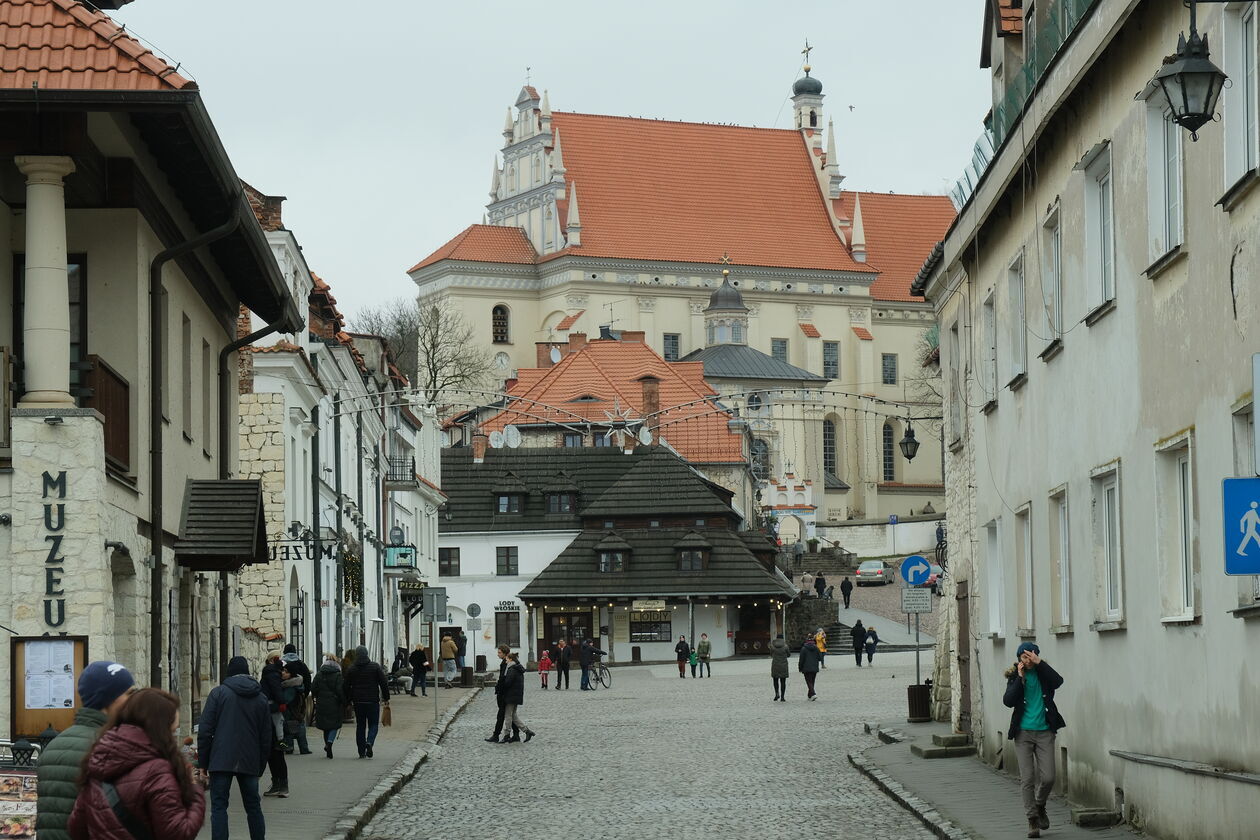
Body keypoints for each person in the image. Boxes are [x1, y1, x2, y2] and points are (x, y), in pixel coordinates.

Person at [70, 688, 205, 840]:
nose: (173, 740)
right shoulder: (157, 771)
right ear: (160, 729)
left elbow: (76, 828)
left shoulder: (98, 758)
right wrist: (195, 792)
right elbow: (179, 834)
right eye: (171, 732)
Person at [37, 660, 136, 840]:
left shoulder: (54, 745)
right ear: (108, 698)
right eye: (128, 693)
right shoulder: (108, 746)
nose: (133, 700)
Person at [198, 656, 272, 840]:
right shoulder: (261, 698)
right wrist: (260, 765)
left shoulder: (218, 694)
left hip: (221, 758)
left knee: (219, 806)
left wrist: (203, 763)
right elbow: (266, 737)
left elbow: (205, 731)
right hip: (250, 758)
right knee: (253, 806)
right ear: (248, 673)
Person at [1003, 642, 1066, 839]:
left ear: (1036, 656)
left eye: (1031, 656)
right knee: (1028, 778)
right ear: (1019, 659)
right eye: (1024, 657)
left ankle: (1039, 805)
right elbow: (1008, 701)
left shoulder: (1044, 675)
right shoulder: (1015, 677)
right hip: (1023, 733)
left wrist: (1040, 664)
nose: (1028, 660)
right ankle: (1032, 819)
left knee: (1048, 778)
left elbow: (1058, 681)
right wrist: (1019, 679)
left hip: (1045, 731)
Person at [344, 645, 389, 759]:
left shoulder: (352, 669)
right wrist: (386, 697)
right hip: (372, 701)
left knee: (360, 726)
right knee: (374, 724)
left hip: (358, 702)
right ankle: (369, 742)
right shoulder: (375, 667)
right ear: (367, 654)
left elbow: (346, 686)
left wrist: (348, 700)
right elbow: (383, 683)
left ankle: (361, 751)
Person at [259, 652, 289, 796]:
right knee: (276, 752)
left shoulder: (269, 673)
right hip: (274, 715)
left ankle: (280, 785)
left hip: (271, 716)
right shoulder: (275, 673)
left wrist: (280, 702)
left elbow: (276, 693)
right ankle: (279, 784)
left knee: (275, 752)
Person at [311, 652, 345, 759]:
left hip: (322, 702)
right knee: (334, 725)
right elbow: (340, 690)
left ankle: (327, 745)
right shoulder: (338, 675)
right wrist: (344, 701)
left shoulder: (319, 674)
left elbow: (313, 688)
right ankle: (329, 743)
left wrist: (316, 697)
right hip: (334, 703)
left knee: (325, 726)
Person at [280, 644, 312, 755]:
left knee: (287, 726)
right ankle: (304, 748)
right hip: (299, 700)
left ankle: (289, 747)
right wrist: (304, 694)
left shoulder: (282, 665)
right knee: (300, 725)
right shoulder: (301, 665)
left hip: (288, 705)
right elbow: (308, 679)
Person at [497, 653, 536, 743]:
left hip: (511, 696)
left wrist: (502, 683)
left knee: (508, 715)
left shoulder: (512, 669)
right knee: (513, 716)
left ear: (510, 659)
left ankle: (506, 734)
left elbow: (507, 683)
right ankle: (527, 731)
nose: (506, 661)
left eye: (507, 659)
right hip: (516, 696)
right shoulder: (517, 668)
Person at [487, 644, 519, 743]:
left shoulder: (507, 663)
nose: (498, 654)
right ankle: (516, 734)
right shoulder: (504, 662)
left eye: (499, 652)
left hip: (505, 694)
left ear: (505, 653)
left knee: (502, 715)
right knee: (509, 715)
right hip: (504, 693)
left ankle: (496, 735)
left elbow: (504, 679)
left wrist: (499, 689)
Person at [797, 634, 822, 700]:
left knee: (809, 681)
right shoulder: (816, 648)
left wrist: (800, 667)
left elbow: (801, 659)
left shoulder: (804, 648)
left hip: (806, 668)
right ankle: (809, 695)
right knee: (812, 681)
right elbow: (820, 658)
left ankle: (813, 694)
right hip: (814, 667)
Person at [769, 634, 789, 701]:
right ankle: (782, 697)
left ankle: (776, 693)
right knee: (783, 681)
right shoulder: (785, 646)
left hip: (775, 665)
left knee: (775, 680)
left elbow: (771, 654)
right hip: (783, 665)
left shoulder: (772, 646)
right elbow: (788, 654)